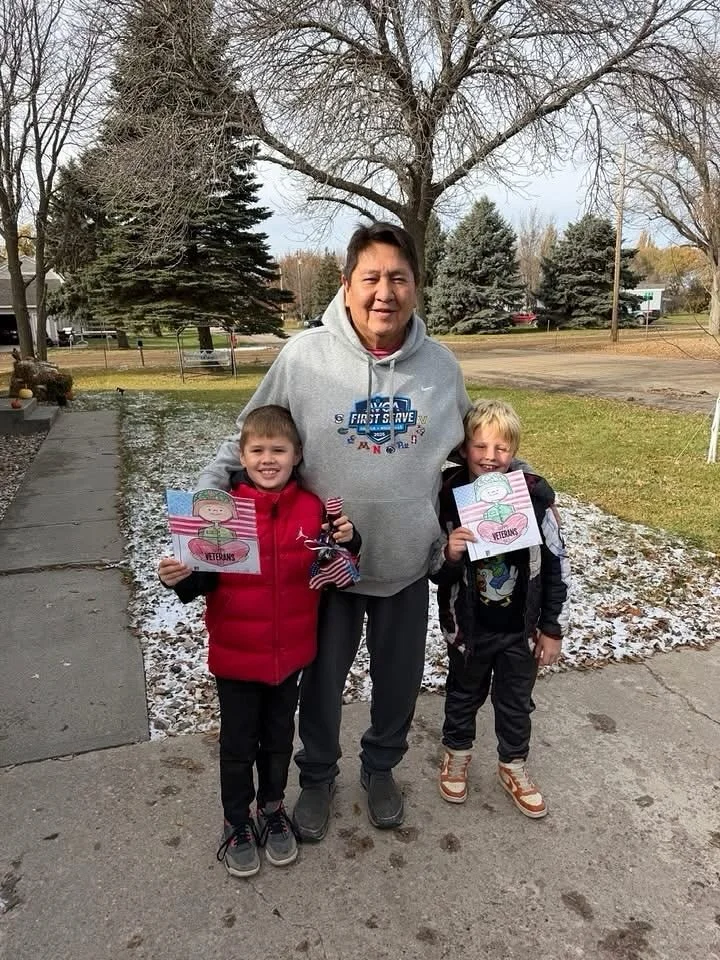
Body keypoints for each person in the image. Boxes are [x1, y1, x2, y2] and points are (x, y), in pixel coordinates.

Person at [198, 221, 471, 840]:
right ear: (346, 285)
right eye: (371, 277)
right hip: (322, 568)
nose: (385, 292)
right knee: (319, 689)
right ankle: (317, 777)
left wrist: (527, 492)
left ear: (416, 288)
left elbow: (469, 451)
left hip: (405, 562)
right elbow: (248, 438)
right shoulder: (304, 358)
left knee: (397, 685)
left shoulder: (441, 369)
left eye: (398, 278)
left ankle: (381, 769)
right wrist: (202, 506)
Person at [158, 405, 360, 877]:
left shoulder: (312, 507)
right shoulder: (220, 509)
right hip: (235, 656)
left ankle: (271, 808)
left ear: (297, 455)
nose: (268, 460)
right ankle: (237, 821)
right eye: (257, 451)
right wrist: (178, 577)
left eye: (278, 450)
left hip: (289, 655)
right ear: (241, 457)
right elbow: (202, 578)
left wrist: (350, 540)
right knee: (237, 745)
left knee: (277, 741)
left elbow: (338, 561)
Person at [429, 399, 570, 817]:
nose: (490, 457)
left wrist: (551, 627)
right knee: (462, 696)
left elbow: (555, 565)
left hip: (520, 629)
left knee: (516, 702)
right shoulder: (448, 499)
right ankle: (456, 755)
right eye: (480, 447)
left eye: (501, 449)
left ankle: (514, 765)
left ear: (514, 450)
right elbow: (435, 572)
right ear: (464, 448)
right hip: (470, 630)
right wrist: (450, 554)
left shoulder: (534, 498)